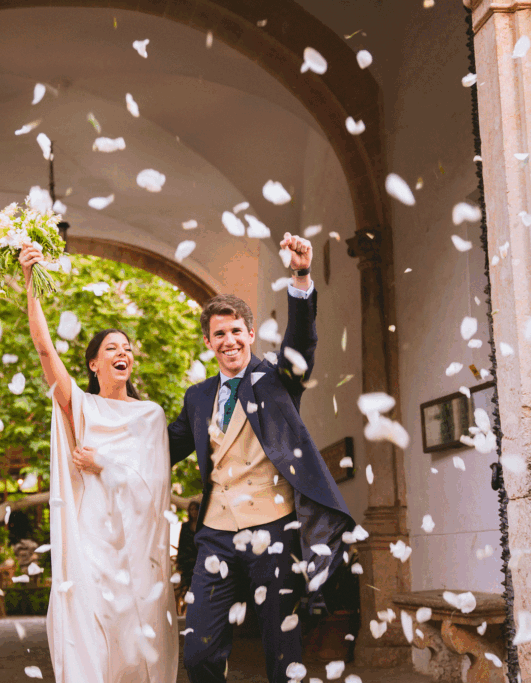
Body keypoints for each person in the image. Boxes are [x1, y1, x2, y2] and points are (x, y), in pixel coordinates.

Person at [167, 233, 355, 683]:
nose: (229, 340)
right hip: (214, 533)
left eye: (236, 331)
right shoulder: (197, 398)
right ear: (208, 343)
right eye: (219, 334)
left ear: (250, 334)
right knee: (198, 653)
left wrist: (301, 275)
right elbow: (162, 447)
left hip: (273, 528)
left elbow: (302, 341)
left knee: (281, 649)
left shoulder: (276, 378)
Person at [19, 244, 177, 683]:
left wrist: (103, 462)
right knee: (88, 632)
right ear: (94, 363)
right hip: (90, 540)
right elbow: (45, 352)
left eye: (126, 347)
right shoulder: (82, 407)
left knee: (134, 638)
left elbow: (156, 487)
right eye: (111, 347)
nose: (122, 352)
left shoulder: (150, 416)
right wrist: (31, 282)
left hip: (136, 545)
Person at [175, 501, 200, 613]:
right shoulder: (185, 526)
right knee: (187, 590)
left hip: (201, 562)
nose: (194, 511)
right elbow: (181, 545)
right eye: (192, 509)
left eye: (196, 509)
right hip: (188, 564)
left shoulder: (202, 526)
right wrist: (180, 562)